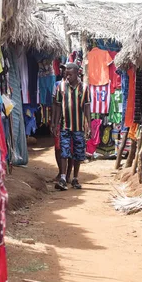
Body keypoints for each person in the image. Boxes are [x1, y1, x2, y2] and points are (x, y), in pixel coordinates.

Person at [52, 63, 90, 191]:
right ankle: (63, 178)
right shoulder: (61, 86)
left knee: (78, 153)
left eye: (70, 74)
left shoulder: (84, 88)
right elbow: (57, 106)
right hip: (65, 126)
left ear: (77, 73)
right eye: (66, 73)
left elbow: (87, 107)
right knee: (64, 151)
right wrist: (55, 123)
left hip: (79, 127)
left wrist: (88, 124)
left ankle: (75, 178)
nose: (67, 76)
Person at [51, 64, 67, 182]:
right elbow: (54, 104)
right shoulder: (57, 85)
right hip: (60, 121)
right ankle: (61, 172)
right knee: (58, 148)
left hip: (72, 122)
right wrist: (53, 121)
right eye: (62, 69)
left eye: (66, 69)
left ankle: (67, 174)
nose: (63, 71)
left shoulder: (79, 86)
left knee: (69, 149)